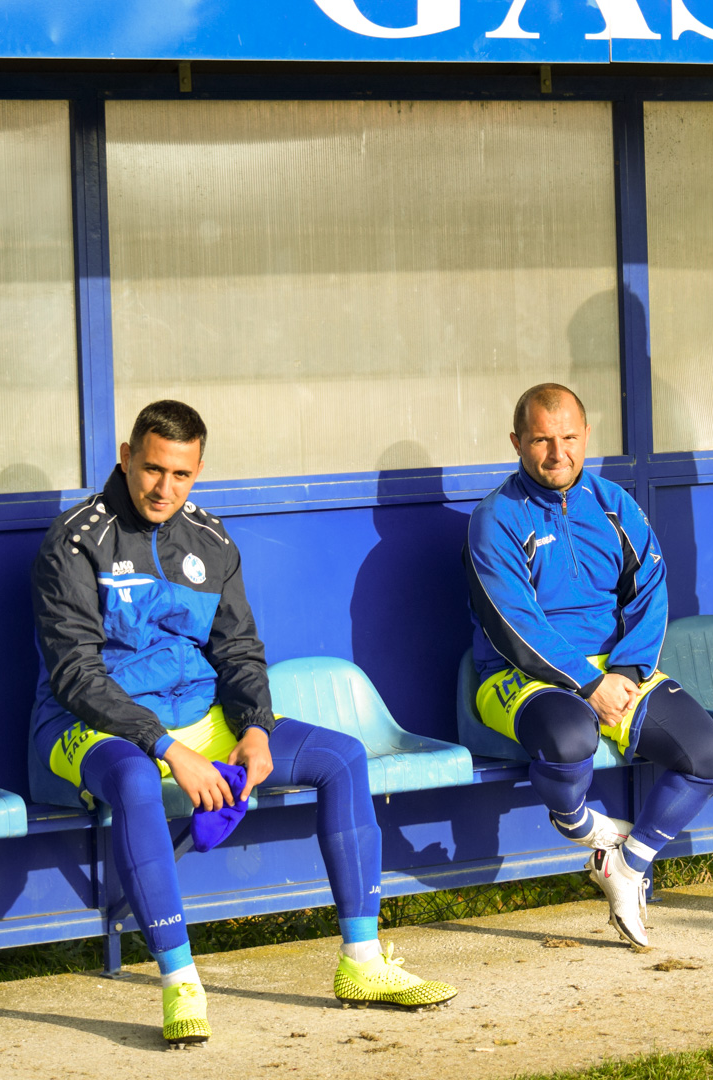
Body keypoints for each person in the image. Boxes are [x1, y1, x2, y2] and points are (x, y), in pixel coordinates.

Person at [29, 400, 456, 1044]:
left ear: (198, 471)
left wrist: (255, 727)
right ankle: (180, 984)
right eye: (152, 469)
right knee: (138, 782)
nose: (164, 488)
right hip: (86, 726)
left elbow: (238, 651)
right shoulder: (75, 540)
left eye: (181, 474)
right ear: (126, 457)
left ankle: (362, 963)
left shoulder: (210, 539)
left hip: (198, 715)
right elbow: (76, 676)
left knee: (342, 758)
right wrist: (168, 749)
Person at [463, 383, 713, 948]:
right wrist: (588, 684)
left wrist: (627, 674)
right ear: (517, 442)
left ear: (586, 435)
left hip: (616, 670)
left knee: (707, 755)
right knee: (570, 740)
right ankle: (582, 826)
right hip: (521, 675)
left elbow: (651, 590)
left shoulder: (614, 504)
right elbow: (514, 623)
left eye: (569, 437)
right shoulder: (495, 518)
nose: (557, 453)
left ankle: (626, 865)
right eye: (541, 440)